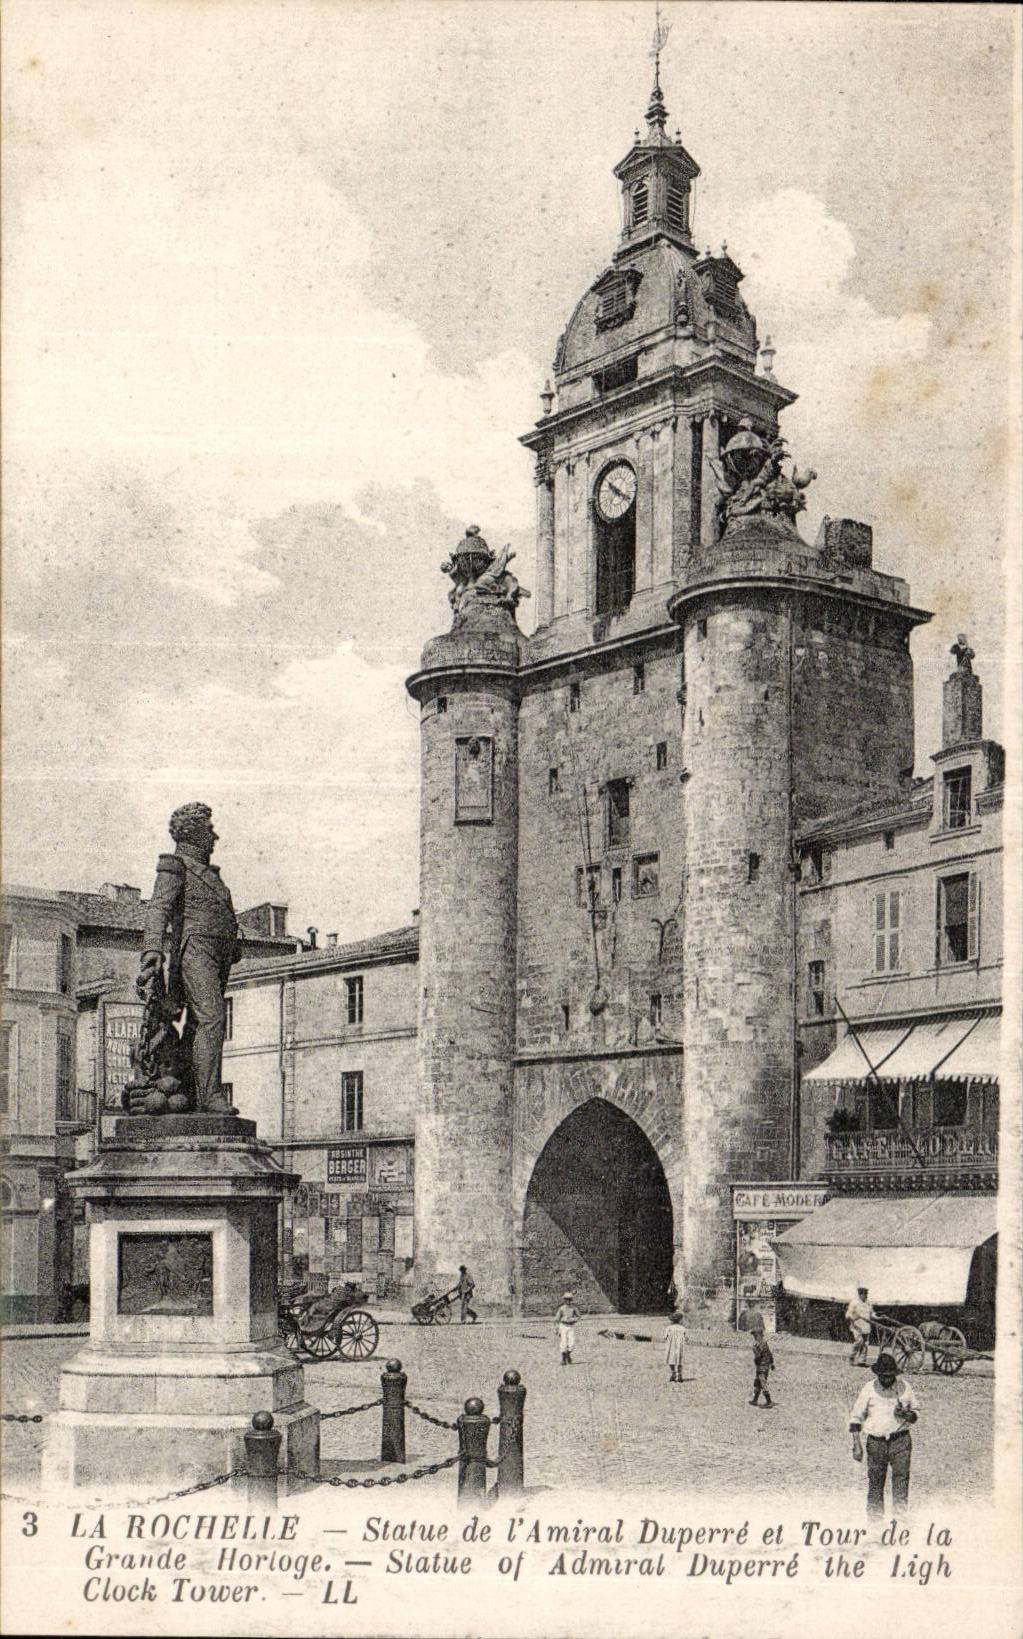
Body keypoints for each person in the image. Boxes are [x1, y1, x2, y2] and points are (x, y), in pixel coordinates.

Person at [138, 803, 241, 1114]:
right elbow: (159, 908)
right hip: (195, 951)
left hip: (218, 955)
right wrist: (153, 949)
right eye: (209, 830)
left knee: (198, 1024)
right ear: (194, 833)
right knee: (212, 1018)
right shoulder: (175, 865)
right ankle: (210, 1096)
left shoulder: (211, 874)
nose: (215, 836)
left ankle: (194, 1094)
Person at [848, 1351, 919, 1517]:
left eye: (890, 1376)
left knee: (901, 1485)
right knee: (875, 1487)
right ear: (878, 1374)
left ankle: (900, 1528)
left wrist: (909, 1415)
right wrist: (857, 1445)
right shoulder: (869, 1389)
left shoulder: (904, 1387)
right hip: (876, 1443)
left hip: (900, 1442)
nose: (887, 1379)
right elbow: (856, 1418)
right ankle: (875, 1528)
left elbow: (916, 1411)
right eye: (884, 1376)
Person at [845, 1287, 875, 1366]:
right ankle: (851, 1356)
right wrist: (854, 1318)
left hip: (866, 1327)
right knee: (859, 1341)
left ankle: (862, 1361)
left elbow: (872, 1314)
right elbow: (848, 1314)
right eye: (864, 1294)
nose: (865, 1296)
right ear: (860, 1294)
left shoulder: (869, 1303)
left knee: (865, 1344)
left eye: (866, 1294)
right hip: (857, 1326)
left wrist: (879, 1317)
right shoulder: (854, 1303)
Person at [749, 1322, 775, 1407]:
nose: (754, 1337)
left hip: (761, 1367)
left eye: (755, 1335)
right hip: (765, 1366)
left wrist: (754, 1350)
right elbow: (770, 1354)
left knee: (762, 1383)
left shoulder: (759, 1344)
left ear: (759, 1335)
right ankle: (755, 1400)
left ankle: (769, 1401)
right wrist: (772, 1363)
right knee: (758, 1383)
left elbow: (758, 1356)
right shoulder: (764, 1343)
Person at [556, 1292, 580, 1365]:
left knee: (571, 1343)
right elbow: (557, 1318)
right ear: (564, 1300)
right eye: (566, 1299)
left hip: (571, 1326)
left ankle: (568, 1355)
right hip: (563, 1326)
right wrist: (557, 1328)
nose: (568, 1301)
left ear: (571, 1300)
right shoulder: (561, 1308)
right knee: (563, 1342)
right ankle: (563, 1358)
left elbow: (579, 1316)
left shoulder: (574, 1308)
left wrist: (573, 1319)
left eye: (569, 1299)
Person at [664, 1312, 686, 1383]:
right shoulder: (683, 1328)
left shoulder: (669, 1328)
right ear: (680, 1320)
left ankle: (673, 1374)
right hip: (679, 1346)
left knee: (671, 1359)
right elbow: (686, 1337)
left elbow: (664, 1337)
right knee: (679, 1360)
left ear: (672, 1320)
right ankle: (679, 1375)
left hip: (671, 1346)